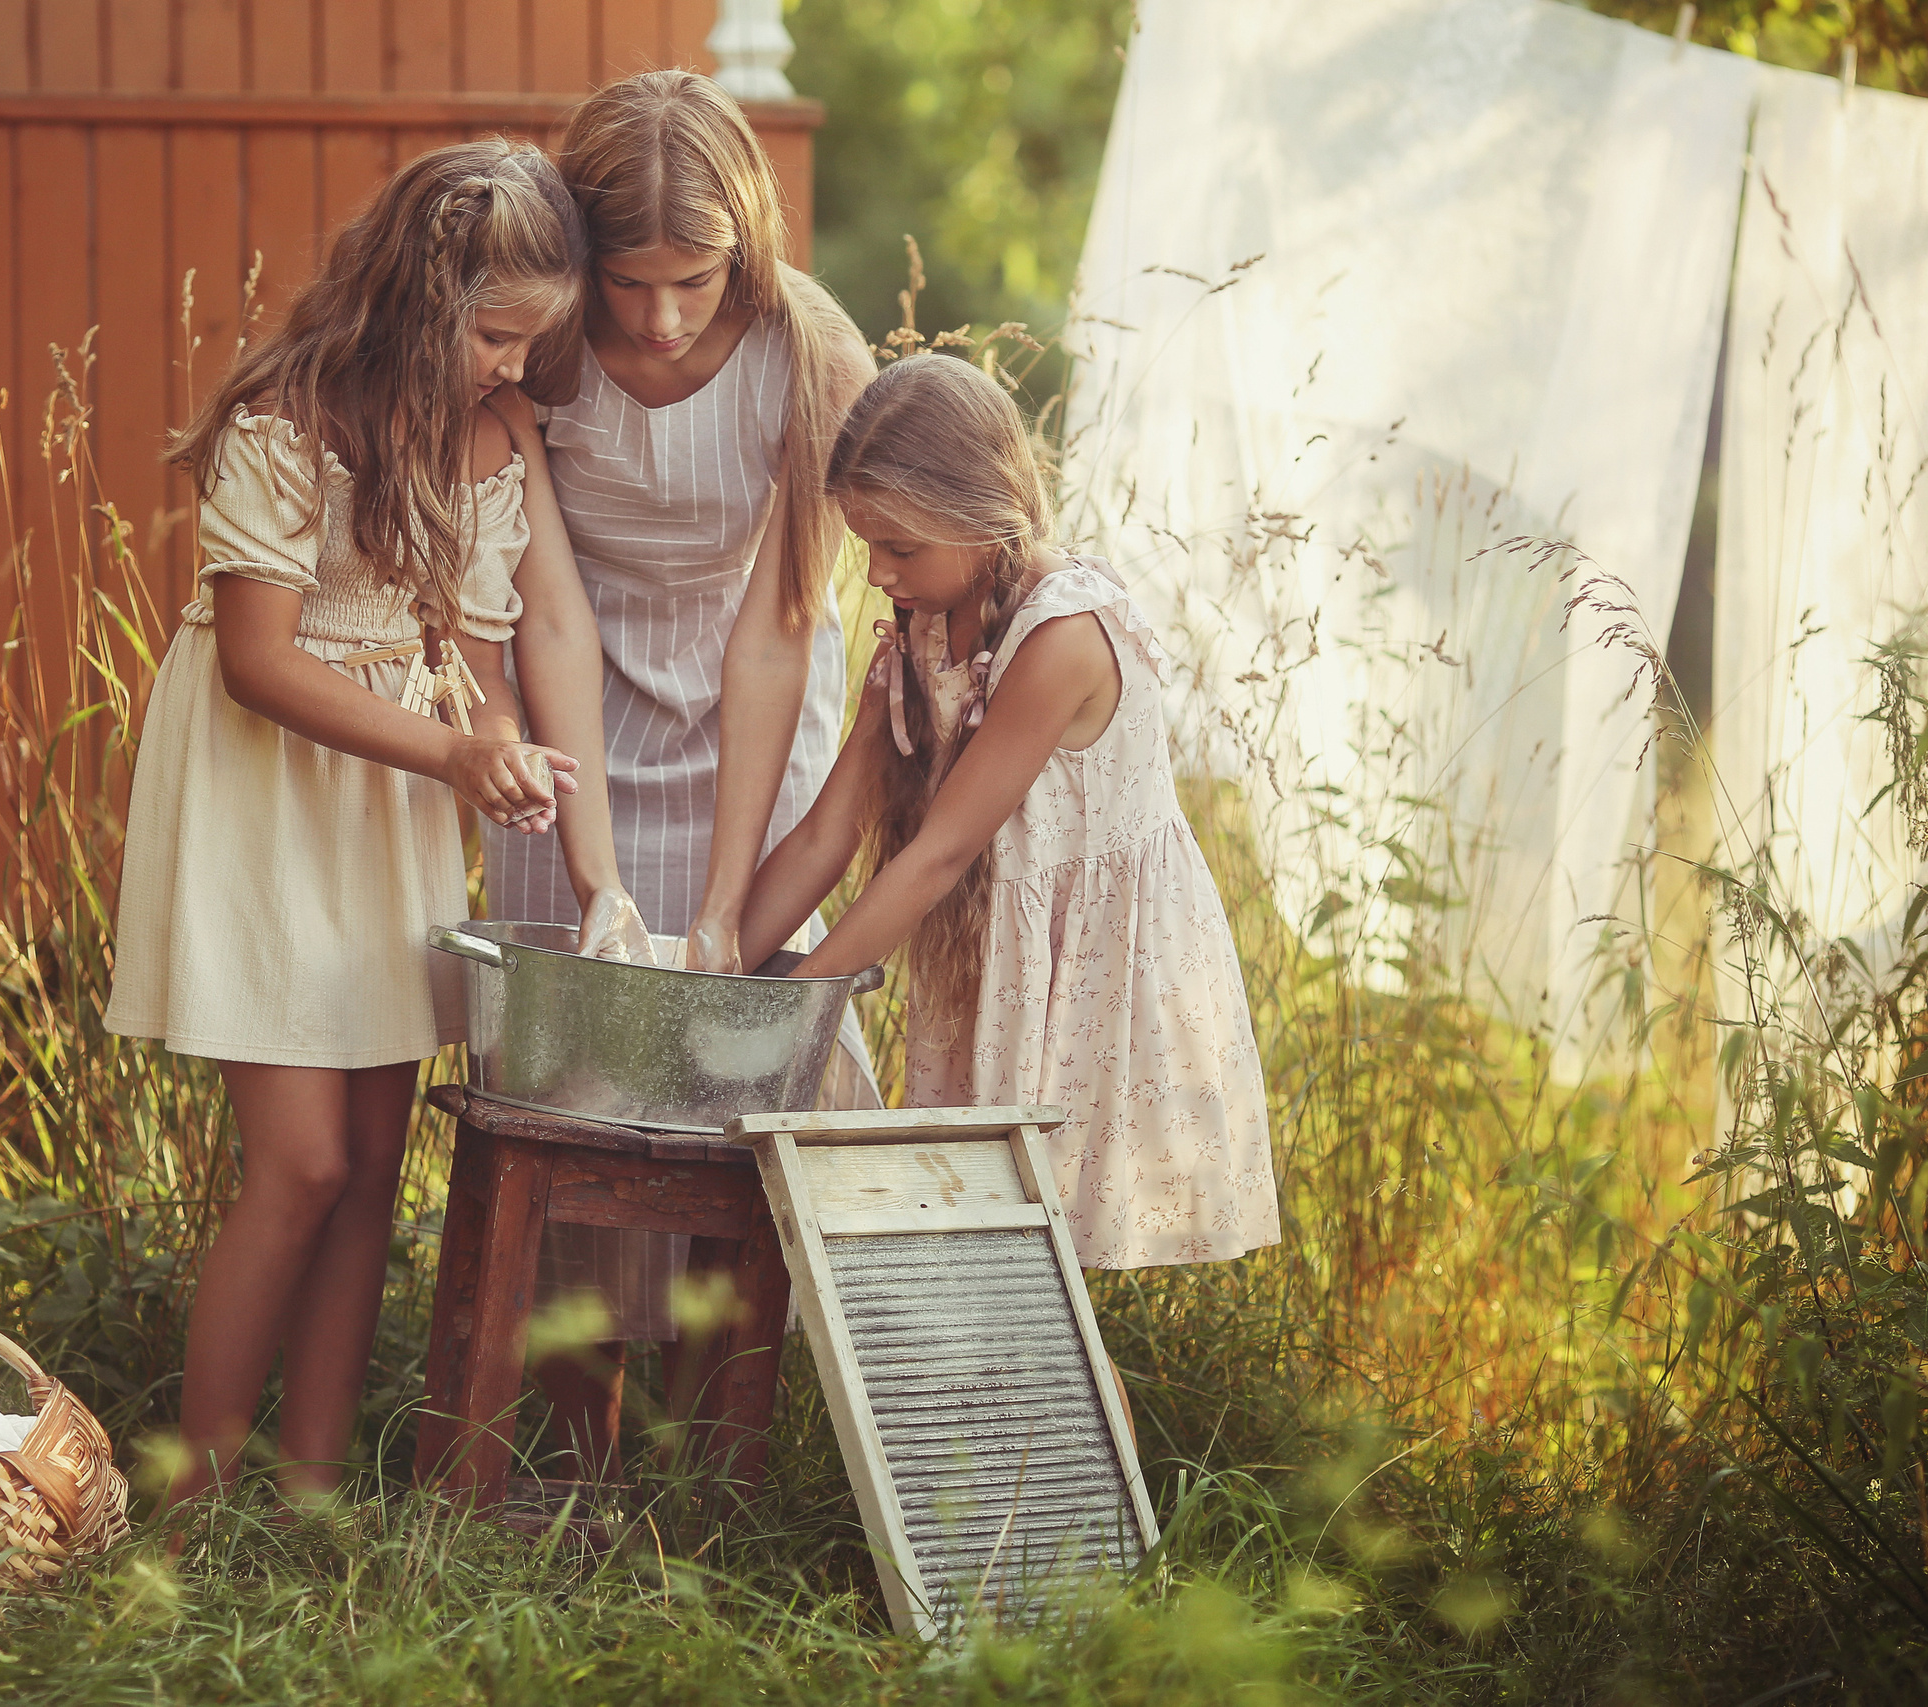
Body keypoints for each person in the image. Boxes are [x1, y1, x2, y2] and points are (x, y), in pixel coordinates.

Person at [104, 137, 643, 1506]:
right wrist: (458, 750)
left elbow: (482, 645)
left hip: (394, 798)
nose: (518, 365)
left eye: (537, 338)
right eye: (500, 334)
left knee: (372, 1170)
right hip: (264, 793)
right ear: (423, 292)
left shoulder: (499, 429)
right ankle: (193, 1501)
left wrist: (502, 746)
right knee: (301, 1161)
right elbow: (259, 661)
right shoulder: (287, 418)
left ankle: (313, 1489)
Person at [479, 70, 880, 1472]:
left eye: (693, 280)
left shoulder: (806, 353)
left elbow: (783, 627)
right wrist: (592, 853)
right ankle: (576, 1445)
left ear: (745, 246)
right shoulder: (539, 343)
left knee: (734, 1065)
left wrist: (725, 908)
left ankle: (723, 1455)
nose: (660, 316)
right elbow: (547, 608)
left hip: (748, 704)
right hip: (572, 702)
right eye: (631, 282)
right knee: (572, 1065)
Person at [743, 354, 1281, 1271]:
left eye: (899, 547)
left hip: (1092, 973)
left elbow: (940, 855)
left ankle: (1068, 1417)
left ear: (977, 512)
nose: (876, 573)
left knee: (1045, 1279)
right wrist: (721, 970)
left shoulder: (1063, 636)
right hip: (1003, 966)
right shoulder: (924, 622)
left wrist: (799, 1005)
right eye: (866, 545)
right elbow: (831, 828)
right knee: (981, 1262)